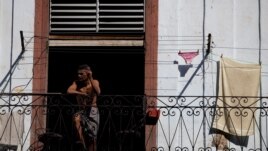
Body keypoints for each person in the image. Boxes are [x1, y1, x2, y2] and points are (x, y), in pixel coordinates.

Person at [67, 64, 101, 151]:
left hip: (92, 110)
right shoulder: (76, 83)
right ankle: (82, 145)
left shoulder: (94, 82)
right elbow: (69, 91)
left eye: (82, 74)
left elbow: (98, 92)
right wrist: (81, 93)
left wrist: (91, 77)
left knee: (92, 136)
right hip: (82, 110)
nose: (79, 76)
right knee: (76, 119)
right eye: (78, 74)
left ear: (88, 74)